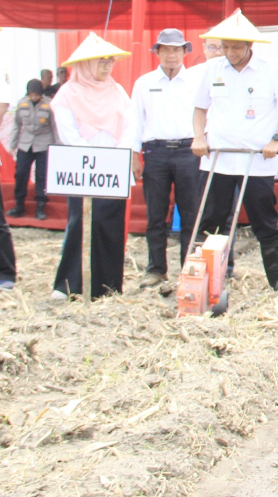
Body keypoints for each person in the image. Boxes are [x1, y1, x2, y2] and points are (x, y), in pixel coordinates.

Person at [192, 10, 278, 293]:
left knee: (265, 221)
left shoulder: (271, 71)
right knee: (210, 221)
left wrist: (276, 139)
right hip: (218, 159)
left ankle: (277, 281)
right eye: (225, 47)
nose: (230, 53)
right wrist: (199, 136)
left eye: (236, 47)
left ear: (250, 45)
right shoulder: (211, 70)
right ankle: (204, 279)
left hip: (257, 162)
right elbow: (200, 109)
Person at [50, 34, 136, 300]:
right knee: (81, 222)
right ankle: (69, 285)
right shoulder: (68, 93)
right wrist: (93, 159)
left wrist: (117, 156)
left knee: (109, 225)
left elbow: (131, 125)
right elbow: (68, 134)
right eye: (101, 61)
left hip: (113, 170)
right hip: (82, 170)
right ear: (86, 63)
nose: (108, 65)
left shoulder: (117, 91)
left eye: (110, 61)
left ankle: (107, 286)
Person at [129, 29, 202, 289]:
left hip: (189, 151)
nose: (172, 55)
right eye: (166, 49)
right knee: (155, 215)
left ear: (185, 52)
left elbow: (207, 115)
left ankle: (189, 269)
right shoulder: (144, 83)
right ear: (157, 52)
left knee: (191, 214)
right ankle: (156, 270)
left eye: (177, 50)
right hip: (155, 152)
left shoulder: (196, 82)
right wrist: (134, 155)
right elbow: (135, 120)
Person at [7, 79, 56, 220]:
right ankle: (19, 206)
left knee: (42, 175)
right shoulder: (22, 103)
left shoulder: (49, 104)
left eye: (36, 95)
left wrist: (57, 147)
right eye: (31, 95)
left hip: (43, 143)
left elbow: (55, 127)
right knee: (21, 173)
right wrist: (12, 144)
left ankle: (40, 207)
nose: (33, 97)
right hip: (26, 143)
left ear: (41, 94)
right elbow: (17, 124)